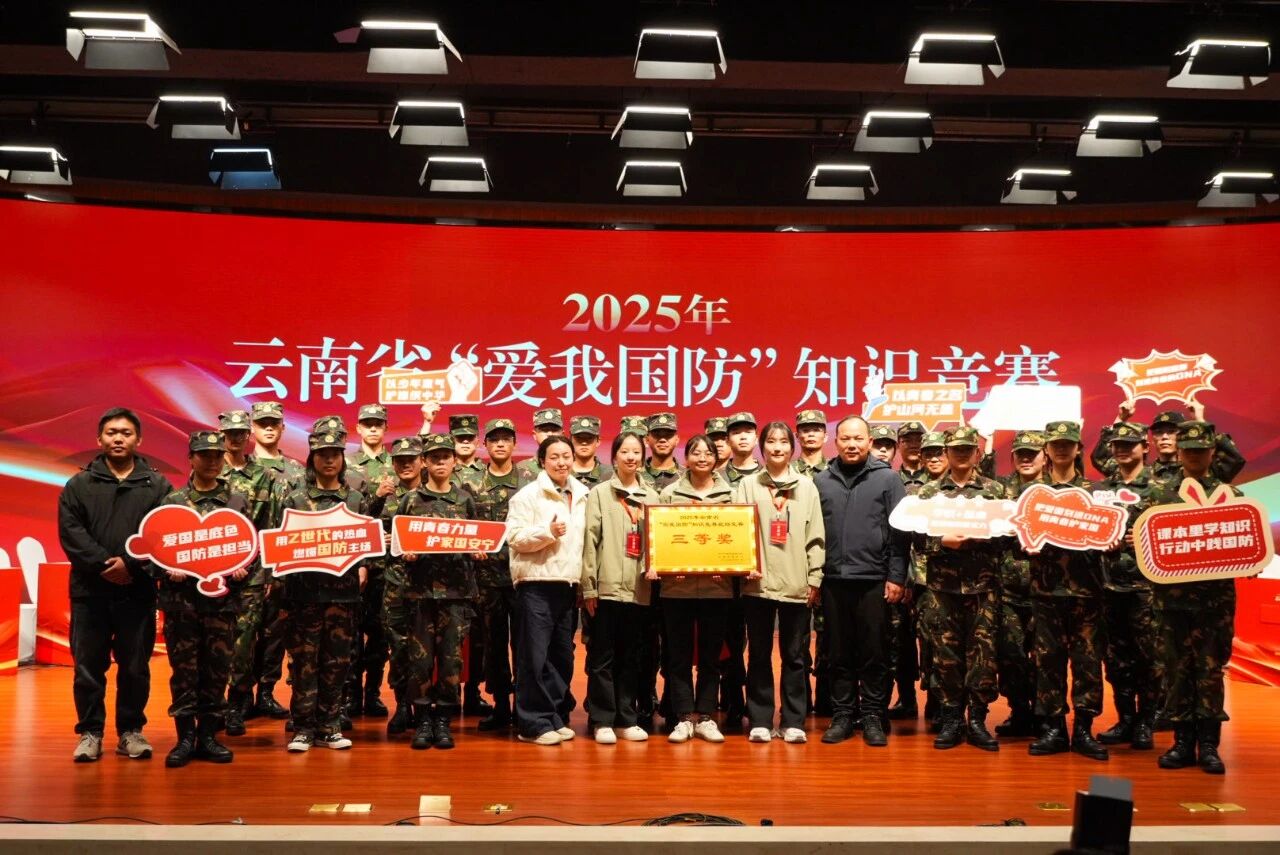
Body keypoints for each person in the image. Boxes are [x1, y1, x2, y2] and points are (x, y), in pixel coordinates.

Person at [58, 407, 173, 763]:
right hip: (89, 593)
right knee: (88, 667)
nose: (118, 438)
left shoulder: (157, 485)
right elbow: (71, 532)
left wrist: (130, 564)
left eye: (125, 432)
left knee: (135, 666)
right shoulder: (79, 485)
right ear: (99, 439)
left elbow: (164, 532)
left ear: (139, 439)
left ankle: (130, 731)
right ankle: (90, 732)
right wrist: (105, 565)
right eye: (111, 432)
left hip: (137, 591)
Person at [155, 430, 248, 767]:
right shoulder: (172, 502)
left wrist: (242, 568)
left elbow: (250, 545)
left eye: (217, 456)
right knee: (184, 672)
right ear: (190, 459)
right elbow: (154, 549)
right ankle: (184, 738)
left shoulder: (236, 502)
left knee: (217, 670)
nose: (211, 461)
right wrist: (167, 568)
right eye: (204, 455)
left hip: (221, 603)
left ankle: (208, 736)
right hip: (182, 604)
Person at [1151, 421, 1239, 775]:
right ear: (1179, 452)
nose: (1194, 456)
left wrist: (1250, 558)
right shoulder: (1160, 494)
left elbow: (1245, 540)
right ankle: (1182, 742)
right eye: (1188, 450)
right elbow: (1141, 539)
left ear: (1212, 452)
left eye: (1201, 450)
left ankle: (1210, 745)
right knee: (1176, 670)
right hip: (1171, 600)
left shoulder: (1231, 495)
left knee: (1210, 671)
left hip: (1214, 602)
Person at [815, 416, 908, 748]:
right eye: (845, 439)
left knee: (874, 652)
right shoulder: (821, 480)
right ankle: (842, 715)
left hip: (874, 580)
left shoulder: (888, 479)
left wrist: (896, 576)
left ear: (869, 442)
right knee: (837, 653)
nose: (851, 445)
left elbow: (900, 534)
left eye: (858, 439)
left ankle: (872, 715)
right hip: (832, 579)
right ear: (835, 442)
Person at [914, 427, 1009, 751]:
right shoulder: (929, 493)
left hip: (983, 588)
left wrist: (986, 537)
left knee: (983, 655)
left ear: (977, 453)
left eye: (968, 449)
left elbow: (1008, 538)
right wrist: (940, 541)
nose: (962, 454)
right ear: (947, 453)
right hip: (942, 589)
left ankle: (978, 720)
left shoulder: (995, 491)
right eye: (956, 449)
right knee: (946, 655)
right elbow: (916, 538)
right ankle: (952, 718)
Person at [383, 433, 479, 750]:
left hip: (455, 595)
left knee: (451, 662)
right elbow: (396, 546)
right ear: (425, 462)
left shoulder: (465, 500)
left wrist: (478, 550)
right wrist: (405, 552)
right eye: (434, 457)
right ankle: (423, 718)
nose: (440, 462)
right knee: (420, 662)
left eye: (445, 457)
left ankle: (444, 720)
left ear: (455, 462)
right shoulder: (411, 501)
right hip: (419, 594)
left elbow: (478, 537)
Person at [279, 427, 369, 752]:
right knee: (304, 662)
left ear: (343, 459)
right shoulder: (295, 500)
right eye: (322, 455)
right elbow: (279, 544)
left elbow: (367, 543)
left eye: (335, 454)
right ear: (312, 458)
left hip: (343, 595)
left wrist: (364, 566)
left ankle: (330, 725)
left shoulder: (356, 499)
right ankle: (303, 728)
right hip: (305, 595)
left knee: (337, 662)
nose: (329, 460)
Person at [734, 421, 825, 744]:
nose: (777, 447)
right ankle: (760, 719)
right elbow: (737, 530)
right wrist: (743, 566)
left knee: (795, 655)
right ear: (762, 447)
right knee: (758, 654)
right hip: (757, 584)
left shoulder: (807, 486)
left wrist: (814, 577)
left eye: (784, 442)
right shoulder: (748, 485)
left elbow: (816, 536)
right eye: (771, 441)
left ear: (792, 447)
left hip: (796, 582)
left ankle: (792, 721)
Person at [1027, 421, 1109, 761]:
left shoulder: (1097, 493)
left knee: (1088, 663)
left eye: (1068, 443)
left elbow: (1110, 539)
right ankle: (1054, 730)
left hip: (1087, 593)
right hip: (1046, 593)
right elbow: (1015, 540)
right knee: (1048, 662)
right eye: (1056, 444)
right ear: (1047, 449)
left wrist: (1112, 543)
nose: (1062, 449)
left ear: (1078, 449)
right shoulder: (1032, 493)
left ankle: (1085, 730)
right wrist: (1024, 545)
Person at [506, 435, 589, 746]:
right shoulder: (527, 496)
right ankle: (532, 723)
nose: (561, 462)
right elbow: (514, 538)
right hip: (535, 585)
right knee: (533, 658)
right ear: (542, 461)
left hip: (567, 586)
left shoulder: (582, 494)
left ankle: (552, 715)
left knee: (561, 658)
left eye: (566, 456)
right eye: (554, 457)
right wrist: (547, 532)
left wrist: (583, 583)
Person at [582, 431, 660, 744]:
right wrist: (589, 587)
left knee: (631, 656)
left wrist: (658, 564)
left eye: (636, 452)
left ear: (643, 456)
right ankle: (602, 719)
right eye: (624, 451)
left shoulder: (652, 496)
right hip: (607, 587)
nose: (630, 457)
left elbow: (659, 541)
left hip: (640, 589)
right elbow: (590, 541)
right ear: (614, 456)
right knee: (602, 657)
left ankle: (626, 718)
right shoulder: (600, 493)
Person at [659, 434, 735, 744]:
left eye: (708, 452)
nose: (702, 457)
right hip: (676, 587)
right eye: (696, 452)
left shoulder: (730, 495)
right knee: (677, 656)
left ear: (716, 458)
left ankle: (705, 716)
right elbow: (658, 536)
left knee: (710, 657)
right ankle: (682, 717)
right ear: (686, 458)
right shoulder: (669, 494)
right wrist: (662, 564)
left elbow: (741, 535)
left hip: (717, 587)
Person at [1096, 422, 1161, 752]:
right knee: (1116, 660)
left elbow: (1176, 533)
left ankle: (1146, 722)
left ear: (1145, 447)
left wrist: (1148, 538)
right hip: (1108, 588)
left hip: (1147, 589)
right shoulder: (1099, 492)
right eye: (1117, 444)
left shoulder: (1161, 489)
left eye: (1130, 444)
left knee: (1149, 658)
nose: (1122, 449)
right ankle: (1125, 720)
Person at [218, 409, 278, 737]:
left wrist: (264, 570)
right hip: (213, 571)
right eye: (230, 433)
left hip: (252, 572)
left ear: (248, 435)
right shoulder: (210, 469)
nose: (235, 438)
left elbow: (268, 526)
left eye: (241, 432)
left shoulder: (263, 475)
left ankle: (237, 703)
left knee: (245, 640)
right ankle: (214, 704)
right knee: (218, 640)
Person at [241, 400, 299, 721]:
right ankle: (241, 696)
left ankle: (266, 692)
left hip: (285, 563)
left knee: (276, 632)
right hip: (246, 565)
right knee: (245, 632)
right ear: (252, 428)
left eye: (273, 423)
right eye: (262, 423)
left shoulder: (297, 471)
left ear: (282, 428)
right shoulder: (239, 468)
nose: (267, 428)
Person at [992, 430, 1046, 739]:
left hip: (1047, 589)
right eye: (1020, 453)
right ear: (1012, 457)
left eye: (1033, 453)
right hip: (1008, 588)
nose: (1026, 458)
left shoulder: (1057, 492)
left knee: (1045, 656)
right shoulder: (1000, 492)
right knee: (1010, 654)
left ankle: (1045, 714)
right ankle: (1020, 711)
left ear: (1044, 456)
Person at [471, 419, 523, 732]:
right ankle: (501, 705)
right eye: (494, 440)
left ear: (514, 443)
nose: (500, 444)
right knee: (493, 645)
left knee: (525, 644)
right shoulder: (472, 484)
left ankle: (525, 706)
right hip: (487, 579)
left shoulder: (530, 482)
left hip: (522, 576)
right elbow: (464, 526)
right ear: (485, 445)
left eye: (506, 439)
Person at [346, 403, 395, 722]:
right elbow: (351, 512)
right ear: (359, 428)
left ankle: (373, 693)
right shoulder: (347, 465)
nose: (373, 428)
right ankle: (351, 694)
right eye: (368, 423)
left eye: (378, 423)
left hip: (388, 563)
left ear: (385, 428)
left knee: (380, 634)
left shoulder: (397, 462)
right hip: (356, 560)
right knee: (351, 633)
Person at [379, 436, 426, 735]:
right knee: (397, 646)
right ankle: (401, 705)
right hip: (394, 582)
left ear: (422, 461)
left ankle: (424, 707)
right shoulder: (384, 496)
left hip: (428, 584)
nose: (406, 464)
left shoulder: (434, 494)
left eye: (411, 459)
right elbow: (364, 533)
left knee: (425, 649)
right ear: (393, 464)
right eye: (400, 460)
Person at [1091, 401, 1245, 483]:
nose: (1164, 436)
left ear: (1183, 436)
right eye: (1158, 432)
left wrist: (1200, 422)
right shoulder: (1140, 473)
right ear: (1152, 439)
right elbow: (1102, 458)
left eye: (1172, 431)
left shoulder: (1200, 469)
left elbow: (1233, 460)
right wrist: (1120, 419)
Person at [515, 408, 564, 481]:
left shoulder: (570, 468)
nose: (550, 434)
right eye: (544, 430)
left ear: (562, 434)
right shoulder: (520, 469)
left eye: (554, 430)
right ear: (534, 435)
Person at [568, 415, 613, 488]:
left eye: (589, 438)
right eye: (579, 438)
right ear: (570, 440)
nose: (584, 443)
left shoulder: (611, 474)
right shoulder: (562, 473)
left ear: (598, 441)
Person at [641, 412, 682, 491]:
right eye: (657, 435)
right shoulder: (635, 475)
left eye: (668, 435)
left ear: (677, 440)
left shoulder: (687, 476)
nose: (662, 439)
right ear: (647, 440)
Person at [793, 410, 829, 477]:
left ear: (825, 437)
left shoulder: (834, 469)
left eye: (816, 430)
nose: (811, 434)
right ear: (797, 437)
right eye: (805, 431)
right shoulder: (788, 470)